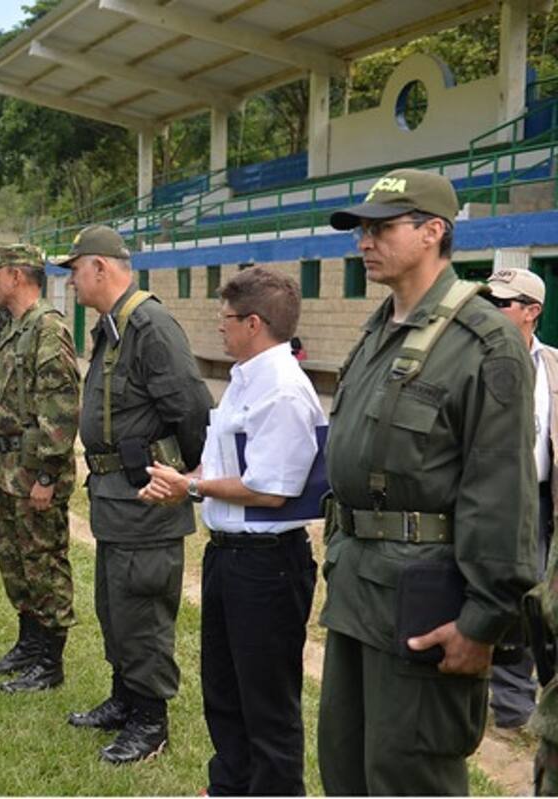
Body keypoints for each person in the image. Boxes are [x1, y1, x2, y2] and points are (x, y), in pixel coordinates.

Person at [320, 169, 537, 794]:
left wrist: (484, 620)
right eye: (361, 229)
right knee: (347, 768)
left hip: (424, 600)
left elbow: (502, 493)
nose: (364, 241)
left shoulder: (483, 341)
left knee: (410, 776)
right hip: (358, 590)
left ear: (433, 232)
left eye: (381, 228)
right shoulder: (379, 327)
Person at [143, 267, 323, 792]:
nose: (219, 328)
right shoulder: (246, 379)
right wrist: (181, 480)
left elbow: (271, 489)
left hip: (268, 565)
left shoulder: (284, 389)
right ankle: (229, 784)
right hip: (230, 556)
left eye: (225, 318)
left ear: (253, 322)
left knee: (267, 701)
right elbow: (225, 465)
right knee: (224, 689)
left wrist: (192, 489)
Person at [54, 225, 212, 764]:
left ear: (101, 267)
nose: (72, 281)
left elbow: (191, 408)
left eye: (75, 269)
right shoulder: (113, 325)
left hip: (144, 498)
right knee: (115, 605)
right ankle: (125, 697)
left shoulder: (149, 324)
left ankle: (150, 721)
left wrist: (174, 474)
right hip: (115, 498)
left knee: (141, 609)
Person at [0, 244, 80, 694]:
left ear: (17, 276)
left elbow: (59, 408)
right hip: (7, 464)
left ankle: (49, 663)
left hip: (33, 468)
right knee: (16, 561)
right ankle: (28, 645)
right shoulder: (17, 326)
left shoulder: (48, 328)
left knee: (43, 563)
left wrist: (46, 476)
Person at [484, 268, 558, 731]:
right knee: (487, 591)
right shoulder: (473, 358)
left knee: (534, 600)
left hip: (539, 501)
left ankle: (515, 705)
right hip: (486, 499)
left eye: (502, 304)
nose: (491, 311)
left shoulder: (553, 365)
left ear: (531, 312)